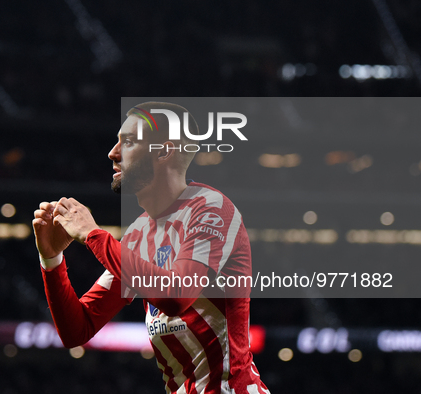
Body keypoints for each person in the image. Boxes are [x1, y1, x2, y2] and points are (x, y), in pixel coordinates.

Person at [33, 102, 269, 394]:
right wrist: (52, 258)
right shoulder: (139, 234)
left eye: (128, 142)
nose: (113, 153)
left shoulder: (211, 210)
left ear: (164, 151)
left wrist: (93, 234)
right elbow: (76, 329)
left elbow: (176, 295)